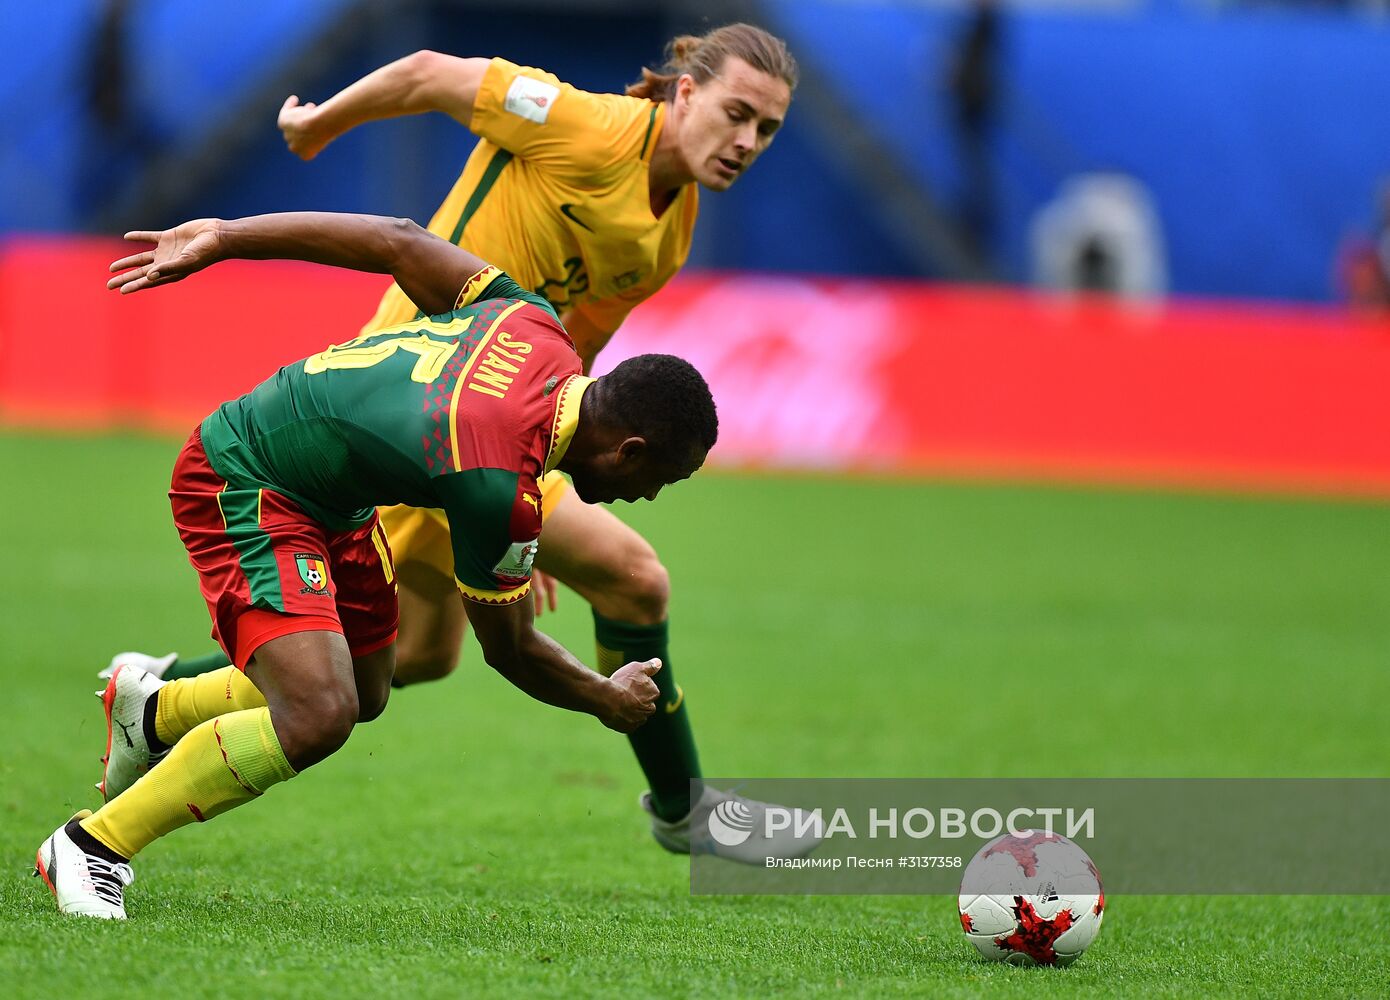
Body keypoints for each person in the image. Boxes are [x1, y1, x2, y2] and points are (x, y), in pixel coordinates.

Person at [104, 23, 800, 855]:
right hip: (422, 421)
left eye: (768, 129)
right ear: (686, 92)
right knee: (631, 581)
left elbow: (579, 355)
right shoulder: (585, 125)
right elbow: (434, 73)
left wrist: (533, 494)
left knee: (415, 657)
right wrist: (322, 123)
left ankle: (154, 699)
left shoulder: (672, 227)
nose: (748, 141)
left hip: (511, 435)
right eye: (737, 113)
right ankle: (689, 813)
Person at [37, 210, 718, 919]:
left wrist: (228, 237)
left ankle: (153, 709)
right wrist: (605, 699)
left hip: (336, 500)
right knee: (319, 714)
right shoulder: (496, 481)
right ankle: (93, 845)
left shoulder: (536, 324)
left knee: (367, 687)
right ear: (629, 450)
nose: (646, 497)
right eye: (661, 480)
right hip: (247, 477)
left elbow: (398, 239)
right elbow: (512, 652)